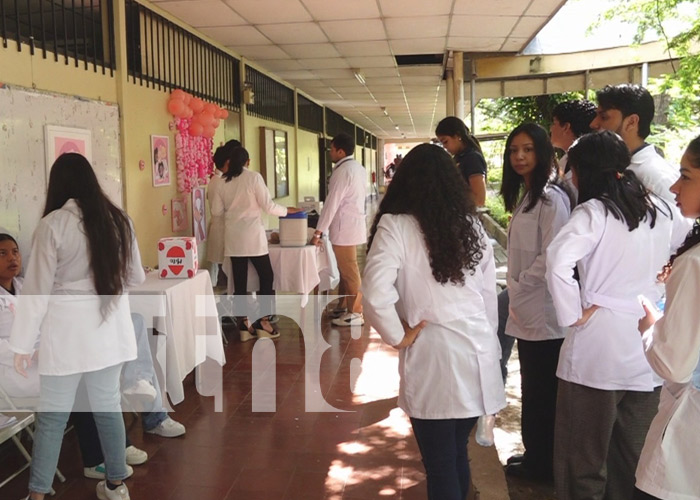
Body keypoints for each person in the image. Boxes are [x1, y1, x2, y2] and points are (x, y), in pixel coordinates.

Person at [362, 143, 505, 500]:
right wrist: (492, 347)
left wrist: (398, 336)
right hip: (477, 353)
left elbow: (375, 291)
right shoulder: (472, 225)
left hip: (434, 355)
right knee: (457, 453)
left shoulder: (396, 226)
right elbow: (489, 297)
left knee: (440, 464)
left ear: (405, 182)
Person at [545, 131, 674, 500]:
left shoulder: (594, 212)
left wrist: (572, 314)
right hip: (645, 346)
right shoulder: (660, 209)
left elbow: (557, 261)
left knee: (582, 461)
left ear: (584, 171)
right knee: (630, 460)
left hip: (596, 349)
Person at [10, 153, 146, 500]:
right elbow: (136, 277)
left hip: (67, 333)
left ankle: (38, 495)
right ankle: (116, 486)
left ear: (58, 184)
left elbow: (37, 292)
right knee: (108, 407)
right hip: (108, 328)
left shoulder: (53, 224)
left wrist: (21, 345)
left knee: (53, 418)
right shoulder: (119, 220)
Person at [499, 123, 573, 480]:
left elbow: (554, 254)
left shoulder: (551, 198)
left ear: (542, 153)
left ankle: (542, 463)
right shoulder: (528, 196)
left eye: (527, 150)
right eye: (514, 151)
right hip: (527, 307)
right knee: (533, 386)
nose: (520, 157)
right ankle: (535, 455)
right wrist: (517, 285)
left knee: (543, 392)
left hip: (544, 312)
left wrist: (521, 283)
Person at [634, 136, 700, 500]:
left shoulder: (694, 264)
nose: (674, 186)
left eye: (686, 177)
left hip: (688, 435)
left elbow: (674, 365)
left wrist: (650, 328)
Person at [211, 146, 300, 341]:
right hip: (253, 237)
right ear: (246, 161)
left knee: (240, 282)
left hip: (233, 239)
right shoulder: (253, 178)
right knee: (266, 277)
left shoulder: (221, 182)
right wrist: (287, 211)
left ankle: (244, 324)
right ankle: (264, 321)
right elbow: (268, 206)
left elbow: (216, 212)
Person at [311, 132, 368, 327]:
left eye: (332, 149)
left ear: (340, 151)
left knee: (349, 271)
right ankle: (344, 305)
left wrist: (318, 231)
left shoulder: (343, 171)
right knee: (346, 270)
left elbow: (332, 203)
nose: (330, 153)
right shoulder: (357, 168)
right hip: (352, 225)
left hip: (345, 228)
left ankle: (357, 312)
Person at [207, 140, 241, 287]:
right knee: (226, 277)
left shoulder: (217, 180)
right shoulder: (219, 182)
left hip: (223, 232)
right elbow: (218, 210)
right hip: (223, 233)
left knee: (226, 274)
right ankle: (227, 307)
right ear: (228, 162)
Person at [436, 116, 488, 206]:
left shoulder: (472, 158)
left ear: (458, 136)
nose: (444, 147)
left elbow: (479, 200)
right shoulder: (458, 158)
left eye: (445, 141)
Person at [550, 99, 597, 190]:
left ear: (566, 127)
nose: (551, 128)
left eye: (554, 123)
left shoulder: (590, 167)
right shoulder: (565, 160)